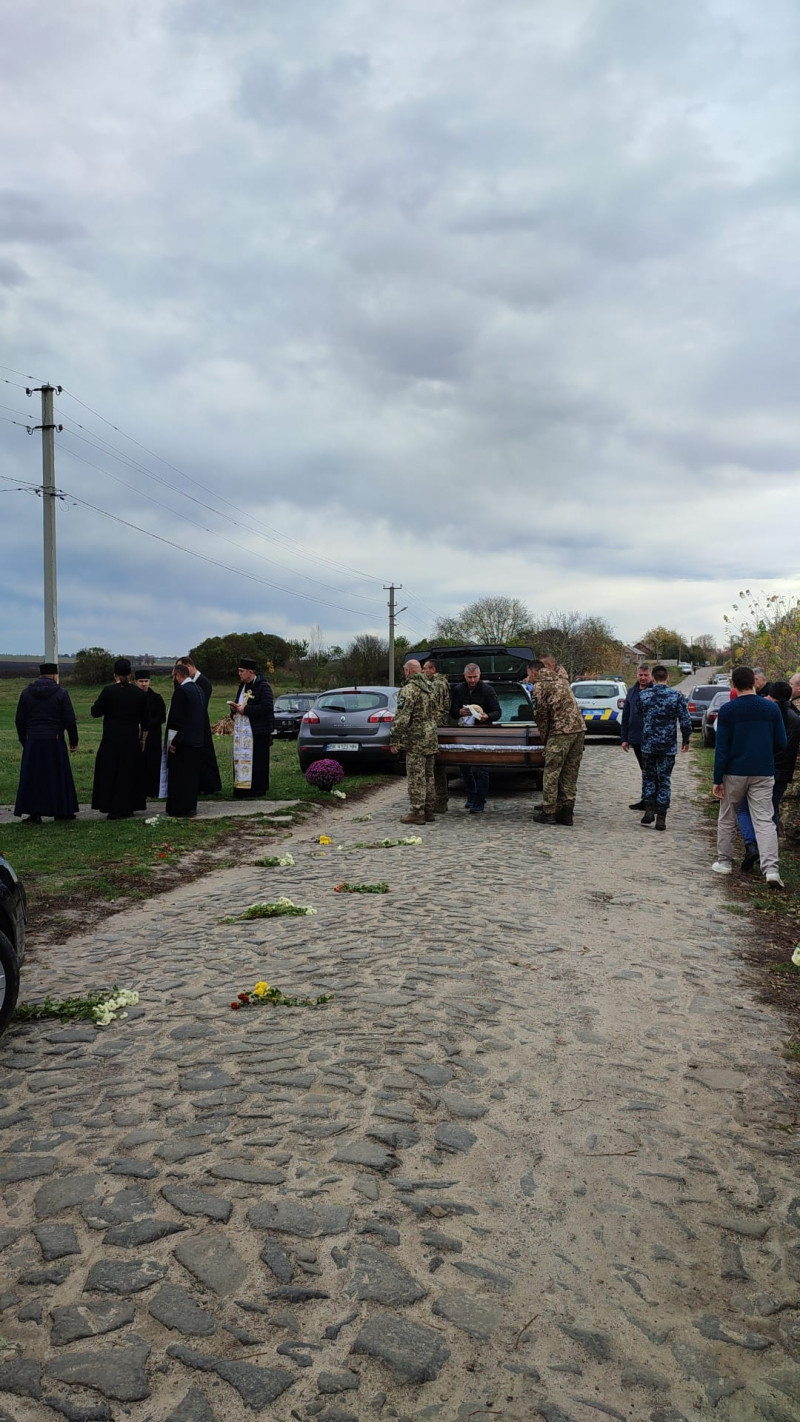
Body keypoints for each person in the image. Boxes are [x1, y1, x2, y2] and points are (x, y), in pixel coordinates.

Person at [712, 665, 787, 886]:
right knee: (764, 820)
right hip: (763, 771)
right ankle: (771, 870)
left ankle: (724, 862)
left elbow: (722, 748)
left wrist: (718, 779)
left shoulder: (728, 710)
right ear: (754, 682)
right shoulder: (771, 709)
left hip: (734, 771)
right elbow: (781, 742)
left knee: (727, 817)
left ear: (733, 685)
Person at [736, 681, 800, 870]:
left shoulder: (765, 714)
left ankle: (751, 844)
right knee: (771, 811)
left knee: (745, 809)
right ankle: (769, 853)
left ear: (770, 694)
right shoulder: (796, 718)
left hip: (760, 769)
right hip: (784, 772)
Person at [14, 663, 79, 824]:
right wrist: (73, 740)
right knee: (57, 775)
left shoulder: (26, 693)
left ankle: (34, 812)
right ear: (55, 675)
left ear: (40, 675)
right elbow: (69, 719)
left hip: (33, 739)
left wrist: (24, 739)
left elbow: (19, 720)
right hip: (55, 739)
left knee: (34, 776)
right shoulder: (61, 693)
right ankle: (61, 810)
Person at [526, 659, 585, 825]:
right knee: (570, 772)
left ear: (533, 672)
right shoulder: (562, 681)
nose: (528, 677)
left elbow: (541, 717)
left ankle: (549, 811)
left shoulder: (539, 687)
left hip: (560, 732)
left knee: (551, 771)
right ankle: (567, 811)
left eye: (528, 674)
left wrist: (545, 740)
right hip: (579, 730)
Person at [91, 659, 150, 819]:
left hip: (111, 739)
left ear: (115, 674)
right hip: (131, 739)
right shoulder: (139, 693)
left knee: (111, 773)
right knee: (129, 773)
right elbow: (145, 722)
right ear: (130, 674)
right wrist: (143, 739)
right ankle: (128, 806)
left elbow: (95, 712)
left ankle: (111, 806)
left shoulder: (109, 691)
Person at [638, 665, 691, 830]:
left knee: (648, 777)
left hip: (648, 744)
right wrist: (686, 739)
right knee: (664, 779)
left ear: (652, 678)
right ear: (667, 677)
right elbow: (685, 720)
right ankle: (661, 816)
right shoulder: (676, 696)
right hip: (667, 745)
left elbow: (640, 714)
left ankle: (649, 809)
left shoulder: (644, 695)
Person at [390, 659, 438, 824]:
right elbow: (436, 713)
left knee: (416, 776)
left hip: (415, 739)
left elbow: (403, 717)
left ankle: (417, 812)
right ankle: (429, 810)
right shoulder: (431, 688)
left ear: (408, 671)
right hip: (430, 738)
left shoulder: (409, 690)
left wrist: (394, 738)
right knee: (429, 776)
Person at [449, 662, 501, 813]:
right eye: (469, 677)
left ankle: (480, 799)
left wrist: (487, 716)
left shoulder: (488, 690)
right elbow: (452, 711)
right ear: (464, 676)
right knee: (464, 767)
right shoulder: (458, 689)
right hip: (464, 732)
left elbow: (497, 712)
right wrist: (459, 712)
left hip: (482, 733)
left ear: (480, 675)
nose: (472, 680)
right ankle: (472, 794)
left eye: (475, 677)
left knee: (483, 769)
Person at [229, 659, 274, 798]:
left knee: (258, 762)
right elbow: (240, 704)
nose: (239, 674)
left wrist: (246, 709)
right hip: (242, 732)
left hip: (257, 732)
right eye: (239, 671)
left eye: (242, 671)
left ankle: (257, 789)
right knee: (240, 760)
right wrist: (234, 709)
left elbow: (266, 707)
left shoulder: (263, 686)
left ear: (251, 672)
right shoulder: (242, 686)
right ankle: (241, 789)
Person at [165, 663, 206, 817]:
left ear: (178, 675)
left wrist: (173, 741)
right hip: (197, 740)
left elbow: (178, 720)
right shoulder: (199, 689)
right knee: (192, 777)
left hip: (183, 742)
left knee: (180, 777)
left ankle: (179, 808)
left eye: (173, 677)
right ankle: (191, 807)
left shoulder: (181, 691)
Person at [181, 655, 222, 793]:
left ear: (189, 666)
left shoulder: (203, 682)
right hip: (193, 723)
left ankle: (211, 785)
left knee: (206, 754)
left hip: (201, 722)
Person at [620, 665, 654, 809]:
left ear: (651, 675)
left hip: (652, 738)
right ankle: (645, 799)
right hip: (635, 737)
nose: (643, 678)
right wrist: (624, 738)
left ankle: (653, 800)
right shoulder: (632, 691)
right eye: (640, 675)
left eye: (646, 675)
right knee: (644, 769)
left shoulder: (655, 691)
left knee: (651, 770)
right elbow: (626, 715)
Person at [422, 657, 451, 812]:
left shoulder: (438, 684)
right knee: (435, 767)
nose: (423, 671)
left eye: (425, 668)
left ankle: (440, 800)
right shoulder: (436, 682)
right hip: (435, 727)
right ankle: (439, 800)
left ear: (433, 669)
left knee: (436, 768)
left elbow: (436, 708)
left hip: (436, 728)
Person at [134, 670, 167, 800]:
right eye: (141, 681)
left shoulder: (156, 698)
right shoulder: (133, 696)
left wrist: (147, 724)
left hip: (153, 737)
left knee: (153, 763)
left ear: (149, 682)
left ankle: (152, 789)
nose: (143, 684)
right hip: (136, 736)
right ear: (136, 682)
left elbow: (161, 717)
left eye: (146, 681)